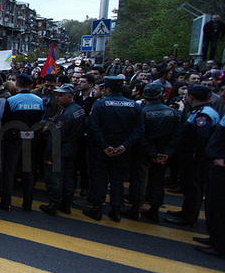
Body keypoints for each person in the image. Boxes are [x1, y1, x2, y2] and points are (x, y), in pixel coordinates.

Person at [83, 77, 144, 222]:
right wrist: (124, 146)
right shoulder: (134, 105)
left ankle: (97, 208)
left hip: (101, 149)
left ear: (108, 89)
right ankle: (116, 209)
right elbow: (139, 130)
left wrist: (105, 146)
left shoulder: (100, 104)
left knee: (99, 178)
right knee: (117, 180)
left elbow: (93, 127)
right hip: (123, 150)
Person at [165, 85, 220, 226]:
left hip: (195, 159)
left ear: (192, 97)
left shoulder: (203, 114)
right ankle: (185, 212)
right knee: (188, 185)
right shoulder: (202, 110)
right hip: (191, 157)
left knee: (193, 187)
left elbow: (202, 136)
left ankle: (188, 217)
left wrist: (196, 154)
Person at [127, 82, 181, 221]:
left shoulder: (142, 111)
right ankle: (154, 209)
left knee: (140, 180)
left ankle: (135, 209)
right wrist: (166, 153)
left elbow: (140, 134)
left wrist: (151, 152)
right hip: (163, 152)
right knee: (158, 181)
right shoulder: (172, 112)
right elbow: (177, 135)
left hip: (144, 151)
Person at [0, 74, 45, 212]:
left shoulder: (11, 101)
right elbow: (39, 120)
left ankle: (6, 203)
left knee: (9, 171)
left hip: (13, 140)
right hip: (31, 139)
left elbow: (5, 122)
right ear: (30, 85)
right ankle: (27, 204)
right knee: (28, 171)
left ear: (17, 84)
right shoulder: (39, 101)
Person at [39, 84, 85, 215]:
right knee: (68, 177)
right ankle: (66, 204)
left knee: (55, 177)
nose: (57, 98)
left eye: (60, 95)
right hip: (72, 148)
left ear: (69, 96)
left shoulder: (66, 114)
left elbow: (56, 135)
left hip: (60, 149)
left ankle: (54, 203)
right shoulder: (77, 109)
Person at [198, 113, 225, 256]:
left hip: (221, 167)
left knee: (220, 208)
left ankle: (220, 245)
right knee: (213, 205)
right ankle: (215, 238)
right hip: (216, 165)